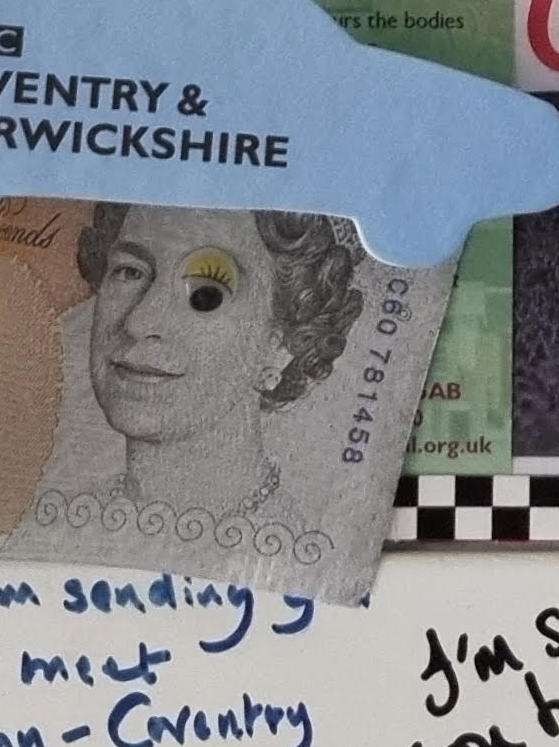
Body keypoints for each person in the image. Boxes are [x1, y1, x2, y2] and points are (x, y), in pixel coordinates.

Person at [73, 203, 364, 520]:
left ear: (282, 344)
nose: (138, 322)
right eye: (130, 272)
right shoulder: (72, 514)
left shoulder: (289, 535)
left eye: (207, 291)